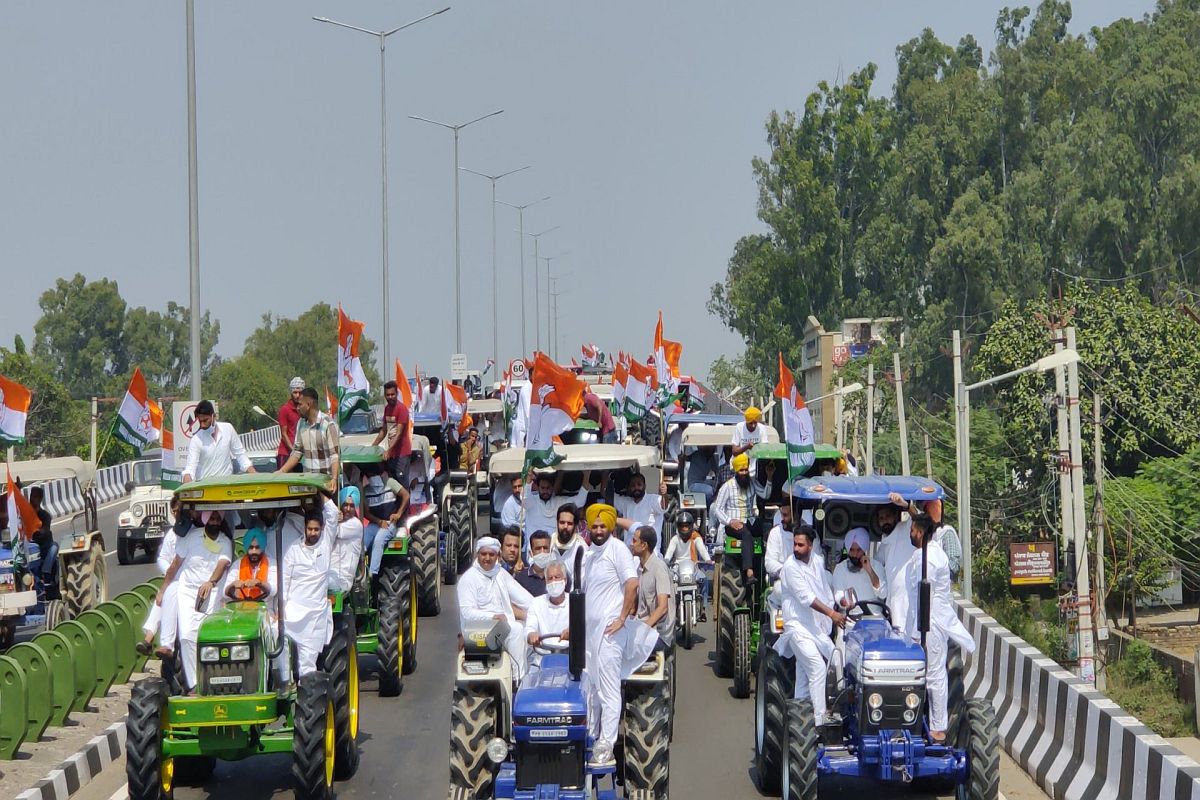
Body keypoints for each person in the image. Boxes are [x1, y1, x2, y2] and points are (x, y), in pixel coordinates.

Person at [580, 504, 657, 767]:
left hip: (612, 634)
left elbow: (632, 584)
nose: (599, 530)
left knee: (609, 691)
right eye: (595, 526)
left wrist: (622, 618)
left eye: (603, 526)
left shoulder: (618, 550)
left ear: (611, 527)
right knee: (591, 689)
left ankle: (606, 745)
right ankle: (590, 738)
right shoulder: (587, 554)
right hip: (590, 636)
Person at [902, 513, 975, 741]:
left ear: (920, 532)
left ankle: (938, 728)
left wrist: (918, 629)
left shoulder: (931, 558)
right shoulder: (921, 555)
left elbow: (927, 594)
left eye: (912, 529)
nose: (910, 533)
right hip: (919, 622)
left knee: (934, 676)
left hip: (930, 622)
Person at [773, 525, 846, 727]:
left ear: (811, 545)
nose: (796, 548)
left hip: (814, 626)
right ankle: (820, 720)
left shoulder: (817, 561)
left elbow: (823, 590)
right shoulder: (790, 567)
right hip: (797, 627)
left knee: (835, 656)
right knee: (817, 667)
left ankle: (803, 717)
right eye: (794, 544)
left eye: (800, 544)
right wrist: (831, 614)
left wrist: (833, 611)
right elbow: (808, 598)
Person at [156, 509, 234, 691]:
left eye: (217, 519)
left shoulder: (225, 541)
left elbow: (222, 564)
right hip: (188, 592)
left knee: (209, 638)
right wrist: (163, 590)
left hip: (212, 593)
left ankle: (215, 681)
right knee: (186, 637)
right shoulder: (191, 538)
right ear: (205, 519)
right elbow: (175, 566)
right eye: (211, 518)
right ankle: (194, 685)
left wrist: (211, 582)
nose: (214, 522)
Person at [457, 536, 534, 681]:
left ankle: (523, 677)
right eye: (483, 554)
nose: (487, 558)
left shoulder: (500, 574)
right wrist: (492, 616)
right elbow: (467, 613)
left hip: (501, 627)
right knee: (516, 629)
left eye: (491, 554)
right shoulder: (469, 578)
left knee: (528, 628)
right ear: (477, 555)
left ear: (497, 556)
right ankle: (519, 679)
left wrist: (539, 611)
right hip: (479, 631)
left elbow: (524, 599)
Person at [280, 497, 339, 681]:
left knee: (307, 664)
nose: (313, 533)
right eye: (310, 529)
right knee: (284, 663)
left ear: (322, 529)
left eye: (316, 529)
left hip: (315, 616)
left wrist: (320, 491)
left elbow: (333, 514)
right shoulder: (293, 550)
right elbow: (285, 582)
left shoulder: (326, 543)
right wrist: (280, 610)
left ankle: (306, 703)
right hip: (292, 615)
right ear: (304, 528)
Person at [136, 498, 192, 656]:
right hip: (175, 579)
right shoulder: (172, 534)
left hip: (191, 581)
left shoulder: (194, 532)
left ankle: (154, 639)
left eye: (179, 511)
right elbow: (162, 558)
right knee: (163, 598)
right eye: (174, 512)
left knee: (167, 594)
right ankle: (149, 639)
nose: (176, 515)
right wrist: (170, 571)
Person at [182, 400, 254, 484]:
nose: (202, 425)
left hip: (226, 487)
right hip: (207, 489)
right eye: (200, 421)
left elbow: (241, 455)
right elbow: (190, 468)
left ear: (214, 416)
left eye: (205, 420)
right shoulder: (196, 439)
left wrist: (255, 475)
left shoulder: (228, 429)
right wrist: (186, 480)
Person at [278, 388, 339, 484]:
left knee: (326, 499)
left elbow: (334, 455)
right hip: (309, 484)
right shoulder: (301, 424)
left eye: (300, 404)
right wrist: (281, 471)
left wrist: (334, 479)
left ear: (309, 405)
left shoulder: (328, 424)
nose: (297, 408)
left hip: (326, 482)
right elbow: (297, 452)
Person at [712, 452, 759, 579]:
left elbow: (765, 494)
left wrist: (771, 478)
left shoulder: (751, 483)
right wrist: (730, 521)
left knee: (765, 528)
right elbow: (718, 508)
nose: (744, 472)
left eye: (746, 470)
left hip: (749, 520)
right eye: (741, 470)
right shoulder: (727, 486)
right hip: (733, 525)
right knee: (746, 534)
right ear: (736, 471)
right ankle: (749, 570)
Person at [362, 465, 410, 580]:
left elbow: (406, 495)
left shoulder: (390, 483)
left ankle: (372, 574)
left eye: (374, 474)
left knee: (379, 540)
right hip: (375, 524)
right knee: (362, 540)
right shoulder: (366, 490)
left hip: (390, 523)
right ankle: (359, 571)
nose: (373, 477)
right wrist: (378, 521)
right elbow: (367, 513)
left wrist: (398, 514)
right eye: (370, 475)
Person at [523, 471, 590, 552]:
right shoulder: (531, 502)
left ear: (552, 487)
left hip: (554, 551)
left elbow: (580, 501)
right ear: (538, 487)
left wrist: (586, 476)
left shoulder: (559, 501)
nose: (545, 491)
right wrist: (528, 480)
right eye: (542, 488)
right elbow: (525, 497)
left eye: (548, 488)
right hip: (534, 552)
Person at [663, 511, 712, 620]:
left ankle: (703, 608)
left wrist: (708, 560)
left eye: (687, 526)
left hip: (693, 566)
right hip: (677, 568)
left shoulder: (696, 538)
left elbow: (703, 551)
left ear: (691, 526)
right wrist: (666, 560)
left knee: (704, 580)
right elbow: (669, 554)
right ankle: (669, 608)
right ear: (678, 527)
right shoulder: (675, 539)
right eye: (682, 526)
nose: (685, 529)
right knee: (668, 582)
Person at [631, 527, 674, 649]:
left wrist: (642, 631)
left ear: (644, 545)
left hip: (658, 634)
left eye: (634, 541)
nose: (631, 544)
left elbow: (663, 607)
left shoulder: (658, 568)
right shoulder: (640, 568)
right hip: (641, 627)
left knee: (627, 649)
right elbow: (634, 608)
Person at [875, 493, 915, 626]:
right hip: (894, 605)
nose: (885, 520)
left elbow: (920, 519)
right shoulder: (882, 548)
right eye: (881, 518)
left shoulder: (906, 529)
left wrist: (905, 505)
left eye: (888, 516)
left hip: (911, 602)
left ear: (895, 516)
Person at [525, 559, 571, 671]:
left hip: (569, 659)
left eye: (557, 577)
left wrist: (573, 632)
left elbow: (583, 627)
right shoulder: (537, 603)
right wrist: (531, 635)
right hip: (541, 660)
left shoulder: (574, 602)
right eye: (550, 578)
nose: (554, 581)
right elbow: (529, 628)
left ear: (564, 580)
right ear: (546, 582)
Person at [831, 527, 885, 606]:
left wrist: (870, 571)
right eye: (852, 550)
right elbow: (838, 594)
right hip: (850, 614)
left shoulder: (876, 566)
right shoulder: (840, 568)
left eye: (859, 550)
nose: (855, 554)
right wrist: (845, 603)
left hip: (875, 615)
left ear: (864, 549)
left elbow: (883, 594)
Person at [373, 380, 412, 482]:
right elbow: (384, 430)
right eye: (387, 395)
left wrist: (388, 451)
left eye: (392, 394)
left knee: (401, 481)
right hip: (392, 454)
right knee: (393, 482)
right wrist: (374, 446)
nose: (390, 397)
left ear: (396, 394)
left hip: (402, 454)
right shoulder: (387, 409)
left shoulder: (402, 409)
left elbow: (399, 434)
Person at [613, 473, 668, 544]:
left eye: (639, 485)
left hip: (650, 552)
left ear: (644, 486)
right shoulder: (626, 503)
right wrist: (606, 473)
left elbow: (664, 506)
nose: (636, 488)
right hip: (630, 552)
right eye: (633, 485)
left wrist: (664, 494)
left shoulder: (653, 499)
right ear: (629, 487)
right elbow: (605, 493)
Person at [225, 527, 276, 602]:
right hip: (240, 608)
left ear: (262, 547)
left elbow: (273, 589)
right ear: (246, 547)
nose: (254, 551)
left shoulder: (272, 563)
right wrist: (233, 585)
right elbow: (224, 592)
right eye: (251, 547)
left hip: (265, 609)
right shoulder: (237, 564)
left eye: (257, 547)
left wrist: (259, 584)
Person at [329, 487, 364, 593]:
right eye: (345, 505)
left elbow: (330, 532)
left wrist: (333, 518)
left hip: (341, 579)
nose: (348, 509)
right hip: (328, 574)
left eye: (352, 506)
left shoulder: (355, 524)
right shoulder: (337, 522)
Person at [924, 499, 962, 582]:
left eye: (935, 509)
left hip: (943, 589)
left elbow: (954, 566)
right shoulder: (925, 535)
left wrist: (935, 570)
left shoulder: (946, 532)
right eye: (929, 509)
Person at [26, 486, 56, 588]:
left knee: (54, 547)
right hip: (27, 546)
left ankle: (46, 574)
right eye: (33, 496)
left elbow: (45, 530)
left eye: (36, 497)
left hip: (43, 546)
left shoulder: (45, 515)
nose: (34, 499)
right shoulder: (24, 513)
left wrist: (38, 531)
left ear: (40, 499)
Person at [276, 377, 305, 470]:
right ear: (291, 393)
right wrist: (293, 451)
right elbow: (284, 434)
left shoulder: (305, 409)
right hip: (286, 453)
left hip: (301, 454)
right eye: (295, 392)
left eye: (300, 392)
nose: (297, 395)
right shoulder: (285, 409)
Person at [551, 504, 586, 579]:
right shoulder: (549, 544)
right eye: (562, 522)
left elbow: (580, 580)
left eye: (569, 524)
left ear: (575, 525)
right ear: (557, 522)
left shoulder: (581, 548)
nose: (565, 527)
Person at [516, 530, 552, 596]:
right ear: (530, 553)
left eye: (545, 548)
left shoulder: (559, 576)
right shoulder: (520, 578)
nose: (542, 552)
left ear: (551, 551)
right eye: (538, 548)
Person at [763, 502, 794, 581]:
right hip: (782, 578)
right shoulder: (775, 532)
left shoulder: (810, 534)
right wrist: (787, 572)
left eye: (785, 515)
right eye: (781, 514)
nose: (782, 518)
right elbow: (769, 562)